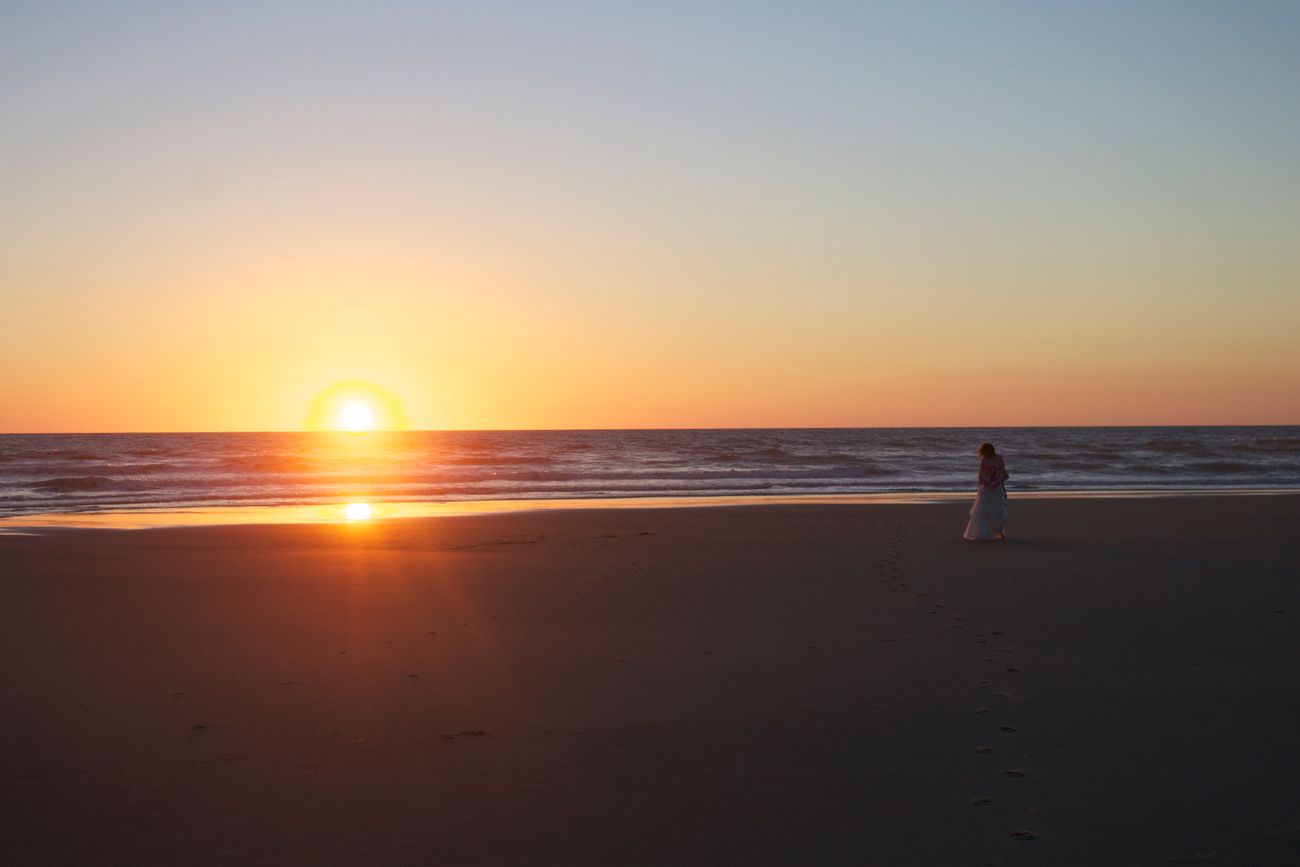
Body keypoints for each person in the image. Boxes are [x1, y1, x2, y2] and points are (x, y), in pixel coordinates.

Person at [964, 442, 1009, 541]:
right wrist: (984, 484)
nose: (986, 453)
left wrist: (998, 481)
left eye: (987, 450)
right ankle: (983, 533)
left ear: (991, 449)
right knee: (983, 510)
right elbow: (982, 475)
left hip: (997, 487)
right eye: (984, 451)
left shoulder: (999, 458)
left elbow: (1001, 472)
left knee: (998, 510)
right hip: (986, 488)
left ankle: (1000, 532)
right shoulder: (984, 460)